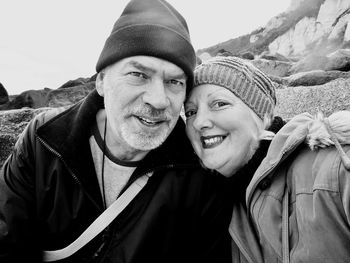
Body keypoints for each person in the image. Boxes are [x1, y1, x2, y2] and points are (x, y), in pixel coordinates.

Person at [0, 1, 234, 262]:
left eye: (174, 82)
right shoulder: (44, 141)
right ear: (101, 81)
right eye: (138, 74)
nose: (158, 100)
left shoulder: (200, 174)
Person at [185, 55, 350, 262]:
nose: (199, 122)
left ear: (263, 116)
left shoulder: (334, 167)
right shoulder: (215, 209)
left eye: (219, 103)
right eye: (190, 111)